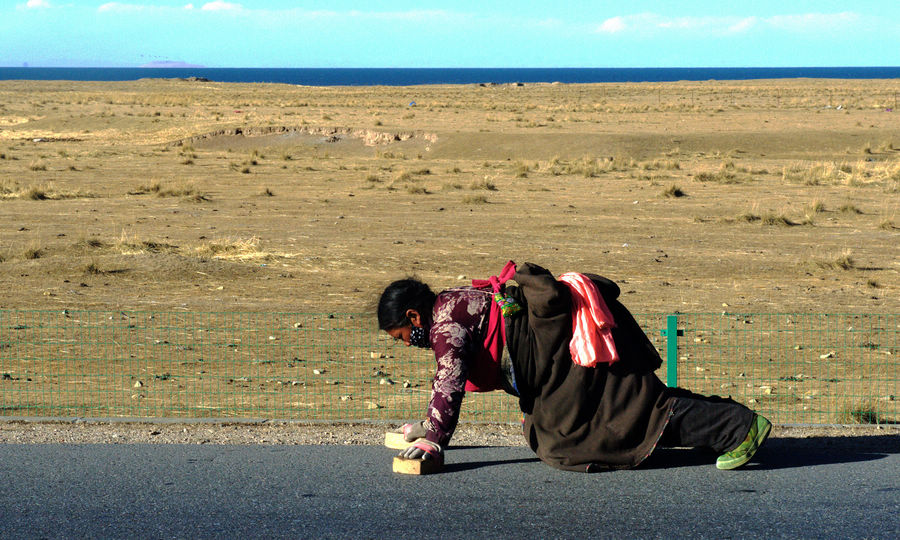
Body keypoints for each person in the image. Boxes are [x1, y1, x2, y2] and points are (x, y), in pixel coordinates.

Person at [378, 261, 771, 472]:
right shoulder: (450, 302)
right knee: (627, 404)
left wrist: (434, 439)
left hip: (561, 360)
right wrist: (427, 424)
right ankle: (726, 426)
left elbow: (449, 379)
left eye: (401, 336)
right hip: (552, 361)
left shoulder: (444, 325)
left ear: (414, 317)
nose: (407, 344)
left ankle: (738, 429)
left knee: (628, 413)